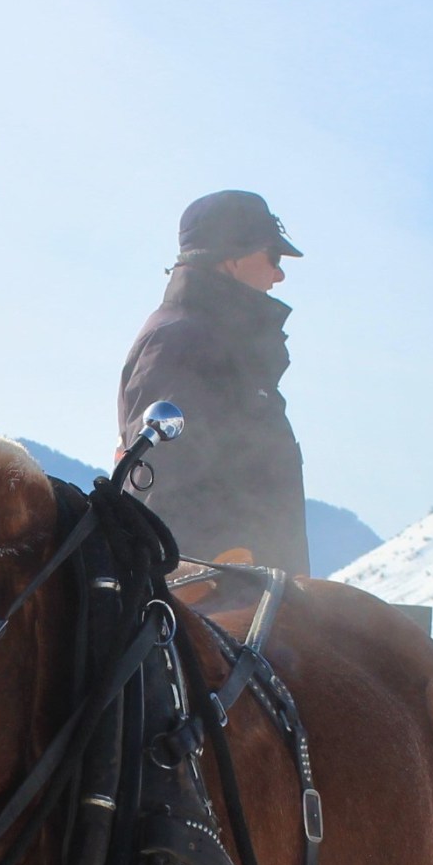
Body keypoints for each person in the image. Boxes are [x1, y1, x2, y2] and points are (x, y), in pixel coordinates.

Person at [117, 189, 310, 575]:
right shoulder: (181, 341)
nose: (280, 275)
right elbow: (158, 484)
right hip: (218, 593)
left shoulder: (217, 342)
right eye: (273, 257)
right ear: (233, 259)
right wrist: (212, 580)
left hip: (249, 590)